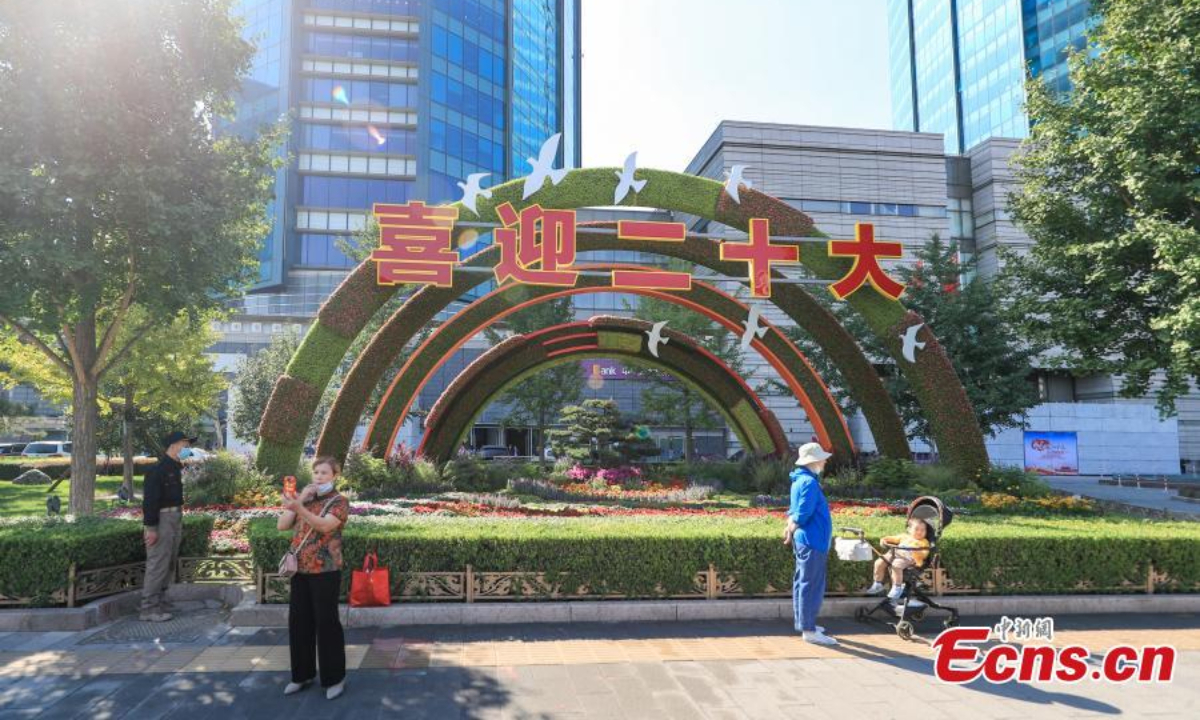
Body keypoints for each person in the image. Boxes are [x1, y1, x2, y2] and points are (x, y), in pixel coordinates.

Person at [279, 456, 350, 701]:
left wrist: (301, 509)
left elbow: (323, 526)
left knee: (327, 624)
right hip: (300, 569)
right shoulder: (305, 499)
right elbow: (282, 525)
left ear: (334, 476)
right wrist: (298, 501)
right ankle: (302, 675)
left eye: (324, 473)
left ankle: (334, 678)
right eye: (316, 472)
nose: (319, 477)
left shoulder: (339, 501)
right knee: (299, 623)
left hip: (326, 570)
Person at [783, 442, 837, 645]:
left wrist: (790, 528)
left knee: (803, 582)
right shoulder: (809, 483)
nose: (824, 461)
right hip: (812, 540)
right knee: (811, 585)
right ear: (813, 461)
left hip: (806, 540)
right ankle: (809, 630)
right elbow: (802, 513)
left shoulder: (800, 480)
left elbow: (794, 510)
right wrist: (791, 527)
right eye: (822, 458)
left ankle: (805, 623)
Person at [140, 431, 195, 622]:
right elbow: (150, 502)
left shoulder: (175, 467)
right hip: (162, 520)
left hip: (174, 517)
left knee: (169, 562)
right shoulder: (158, 470)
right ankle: (149, 608)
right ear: (173, 446)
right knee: (158, 564)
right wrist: (151, 529)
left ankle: (160, 601)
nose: (187, 449)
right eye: (185, 445)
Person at [865, 517, 931, 601]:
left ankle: (897, 587)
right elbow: (892, 538)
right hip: (895, 554)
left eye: (923, 530)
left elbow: (924, 553)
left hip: (908, 558)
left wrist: (917, 553)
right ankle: (877, 584)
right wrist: (884, 540)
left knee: (896, 565)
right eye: (917, 529)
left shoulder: (923, 542)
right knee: (879, 562)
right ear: (909, 529)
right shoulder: (904, 537)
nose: (920, 532)